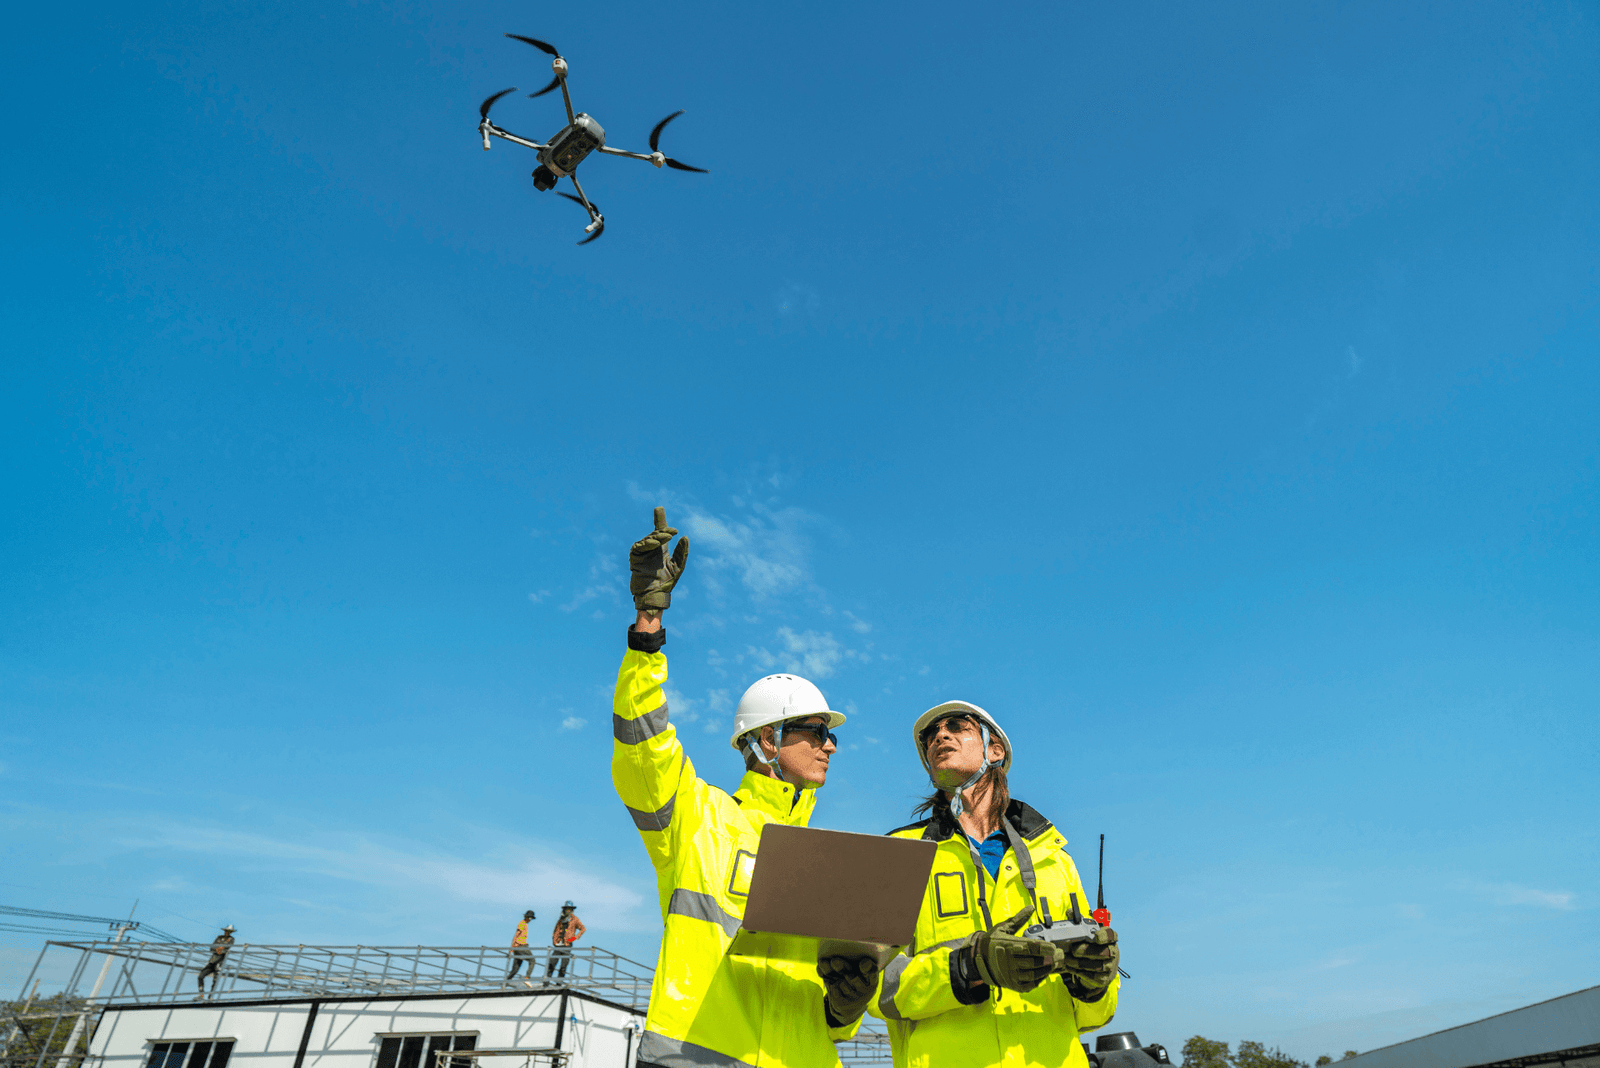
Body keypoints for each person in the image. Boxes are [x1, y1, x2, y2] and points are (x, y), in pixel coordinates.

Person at [613, 507, 858, 1068]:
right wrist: (647, 628)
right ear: (767, 740)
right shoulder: (698, 817)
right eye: (815, 732)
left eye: (830, 736)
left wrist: (848, 1004)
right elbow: (642, 746)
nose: (830, 746)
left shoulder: (826, 862)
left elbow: (828, 1012)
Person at [824, 701, 1120, 1068]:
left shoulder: (1055, 859)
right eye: (931, 736)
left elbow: (1093, 1017)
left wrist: (1095, 984)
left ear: (995, 750)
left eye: (957, 726)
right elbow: (878, 991)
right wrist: (970, 967)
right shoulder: (899, 855)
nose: (940, 736)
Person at [544, 901, 585, 981]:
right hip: (559, 944)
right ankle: (546, 981)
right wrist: (554, 940)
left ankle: (559, 982)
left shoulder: (575, 919)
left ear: (572, 910)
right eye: (567, 909)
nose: (568, 911)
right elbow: (555, 930)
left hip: (567, 944)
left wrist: (574, 938)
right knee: (552, 963)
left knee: (564, 965)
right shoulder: (561, 919)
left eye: (570, 909)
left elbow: (582, 929)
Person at [195, 925, 235, 999]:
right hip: (212, 961)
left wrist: (221, 948)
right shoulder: (219, 937)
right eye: (226, 931)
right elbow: (212, 947)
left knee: (215, 980)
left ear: (230, 932)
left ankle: (211, 996)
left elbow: (227, 948)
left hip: (220, 962)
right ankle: (201, 994)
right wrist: (217, 948)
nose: (227, 932)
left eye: (228, 931)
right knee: (200, 976)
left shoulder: (231, 939)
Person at [507, 910, 537, 983]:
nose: (530, 920)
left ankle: (506, 981)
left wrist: (512, 948)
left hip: (517, 948)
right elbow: (516, 935)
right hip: (521, 946)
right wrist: (511, 948)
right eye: (530, 918)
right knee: (532, 960)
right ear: (526, 917)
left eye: (531, 919)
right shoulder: (522, 923)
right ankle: (527, 978)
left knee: (515, 968)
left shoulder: (524, 924)